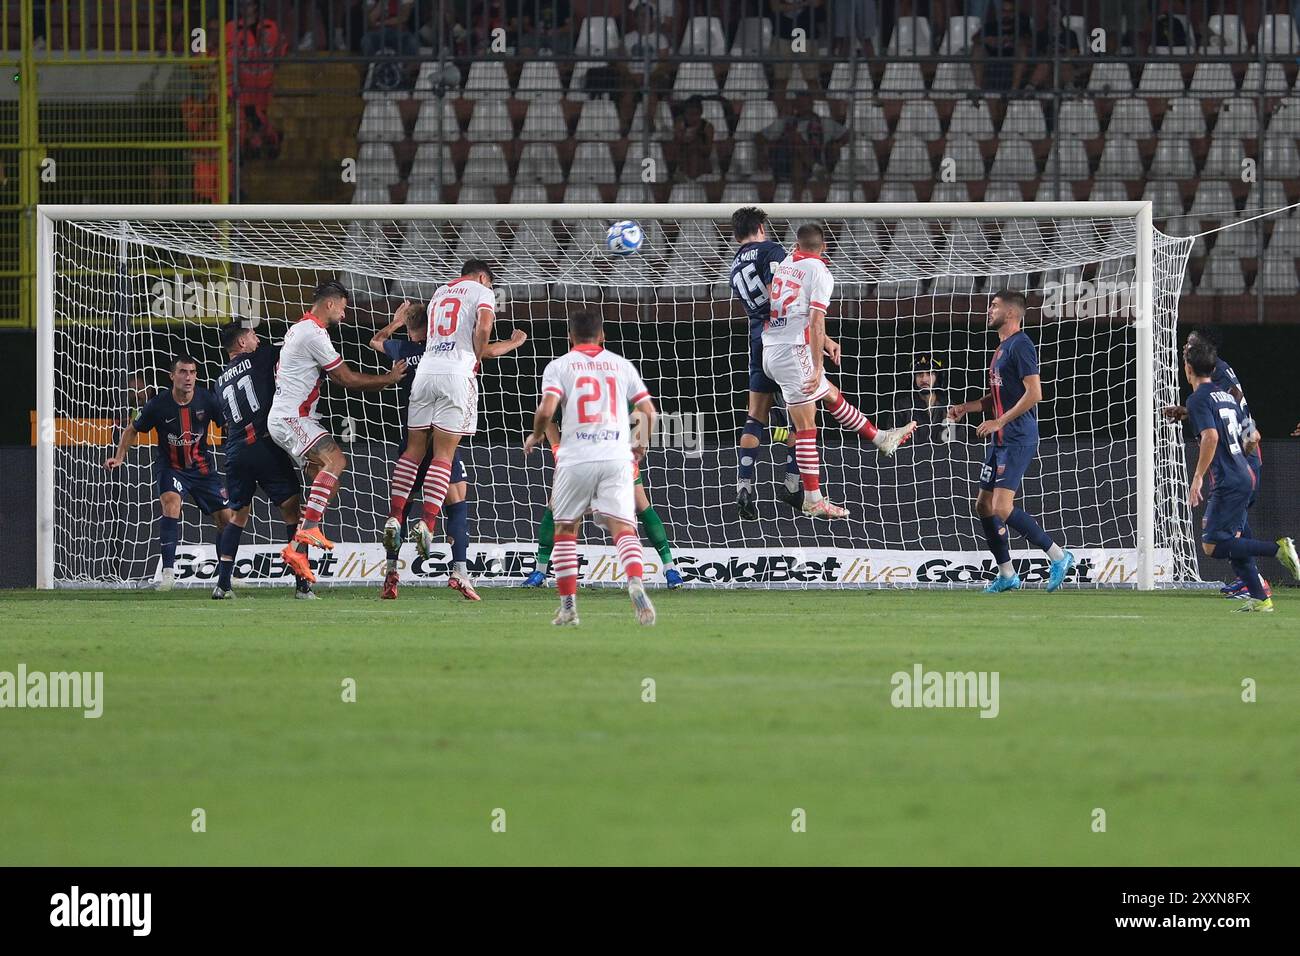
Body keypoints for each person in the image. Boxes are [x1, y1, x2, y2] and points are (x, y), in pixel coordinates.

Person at [370, 299, 527, 600]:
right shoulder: (448, 352)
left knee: (402, 505)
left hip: (412, 435)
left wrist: (396, 322)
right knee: (457, 500)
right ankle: (459, 572)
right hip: (442, 433)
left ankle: (391, 573)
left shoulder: (403, 351)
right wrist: (514, 341)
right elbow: (488, 351)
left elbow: (377, 341)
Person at [762, 222, 916, 519]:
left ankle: (880, 438)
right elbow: (816, 321)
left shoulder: (784, 263)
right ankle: (813, 499)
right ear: (824, 249)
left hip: (773, 348)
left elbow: (792, 310)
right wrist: (817, 364)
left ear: (797, 244)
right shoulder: (820, 271)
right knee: (807, 428)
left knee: (831, 395)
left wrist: (822, 346)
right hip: (793, 351)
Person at [523, 309, 658, 627]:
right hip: (615, 456)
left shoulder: (559, 366)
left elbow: (547, 409)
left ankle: (569, 608)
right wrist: (640, 443)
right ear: (602, 336)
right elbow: (648, 411)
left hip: (575, 457)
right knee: (624, 527)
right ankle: (636, 582)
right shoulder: (621, 365)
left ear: (570, 337)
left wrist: (537, 433)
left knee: (566, 529)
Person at [268, 280, 407, 586]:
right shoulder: (313, 333)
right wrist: (389, 378)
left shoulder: (299, 328)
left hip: (290, 417)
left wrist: (395, 323)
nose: (344, 315)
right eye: (343, 308)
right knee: (336, 460)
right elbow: (345, 379)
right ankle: (309, 530)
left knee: (327, 484)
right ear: (330, 304)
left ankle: (297, 550)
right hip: (293, 417)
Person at [947, 290, 1074, 593]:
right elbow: (1000, 397)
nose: (989, 310)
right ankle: (1007, 574)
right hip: (1001, 439)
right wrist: (968, 408)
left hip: (1018, 437)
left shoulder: (1022, 344)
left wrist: (999, 422)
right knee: (983, 505)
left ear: (1012, 314)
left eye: (995, 306)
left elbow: (1035, 393)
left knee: (1002, 506)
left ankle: (1058, 555)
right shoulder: (1002, 348)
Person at [382, 260, 496, 562]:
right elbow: (483, 326)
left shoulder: (439, 293)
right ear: (483, 277)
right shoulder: (483, 292)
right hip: (456, 373)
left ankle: (395, 516)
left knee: (414, 451)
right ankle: (428, 522)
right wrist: (477, 357)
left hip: (426, 373)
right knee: (443, 454)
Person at [1183, 337, 1299, 612]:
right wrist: (1238, 456)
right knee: (1235, 540)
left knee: (1213, 545)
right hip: (1244, 473)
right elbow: (1253, 437)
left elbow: (1210, 436)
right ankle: (1261, 598)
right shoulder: (1228, 398)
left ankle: (1278, 549)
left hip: (1229, 480)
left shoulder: (1198, 398)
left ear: (1188, 369)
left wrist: (1198, 476)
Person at [104, 355, 233, 590]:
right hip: (171, 467)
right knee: (171, 504)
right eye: (183, 372)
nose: (189, 377)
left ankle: (227, 576)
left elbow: (227, 424)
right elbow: (132, 429)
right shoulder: (158, 404)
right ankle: (169, 574)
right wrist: (120, 456)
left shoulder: (207, 399)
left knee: (226, 519)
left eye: (193, 372)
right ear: (172, 376)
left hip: (202, 468)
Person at [213, 323, 315, 600]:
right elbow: (293, 350)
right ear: (242, 343)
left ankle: (223, 585)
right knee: (294, 511)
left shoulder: (219, 380)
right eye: (253, 336)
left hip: (235, 451)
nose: (258, 340)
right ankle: (302, 585)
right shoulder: (260, 358)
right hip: (263, 445)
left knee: (237, 515)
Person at [1162, 330, 1264, 598]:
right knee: (1233, 525)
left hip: (1242, 455)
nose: (1186, 347)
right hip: (1237, 454)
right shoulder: (1209, 377)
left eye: (1190, 343)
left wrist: (1249, 436)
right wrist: (1187, 412)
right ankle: (1252, 578)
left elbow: (1237, 405)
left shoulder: (1218, 373)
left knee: (1224, 533)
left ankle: (1259, 574)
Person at [729, 206, 803, 520]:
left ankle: (744, 483)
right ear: (761, 227)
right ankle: (792, 480)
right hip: (782, 337)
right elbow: (781, 290)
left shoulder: (733, 266)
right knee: (802, 413)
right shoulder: (771, 249)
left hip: (756, 339)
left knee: (755, 416)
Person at [225, 0, 286, 160]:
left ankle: (264, 141)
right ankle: (252, 146)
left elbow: (280, 52)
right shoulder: (230, 29)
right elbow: (228, 60)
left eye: (250, 3)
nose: (246, 7)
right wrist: (230, 87)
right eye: (243, 3)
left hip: (265, 87)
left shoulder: (271, 28)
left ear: (256, 6)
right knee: (247, 119)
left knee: (258, 117)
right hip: (243, 87)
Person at [757, 97, 848, 200]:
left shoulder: (824, 123)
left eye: (806, 103)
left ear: (812, 104)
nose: (803, 106)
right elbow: (759, 137)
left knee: (798, 161)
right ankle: (815, 168)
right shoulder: (786, 121)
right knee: (796, 145)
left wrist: (835, 144)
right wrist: (767, 147)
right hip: (785, 162)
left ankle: (797, 199)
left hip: (814, 160)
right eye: (799, 104)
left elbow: (848, 136)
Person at [896, 354, 954, 445]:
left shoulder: (949, 407)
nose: (924, 379)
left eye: (929, 373)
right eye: (919, 374)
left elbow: (957, 444)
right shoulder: (902, 407)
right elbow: (892, 440)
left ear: (937, 377)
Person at [672, 96, 716, 182]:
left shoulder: (708, 127)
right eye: (689, 114)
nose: (692, 118)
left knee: (694, 149)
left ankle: (692, 179)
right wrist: (683, 137)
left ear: (701, 113)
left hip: (701, 160)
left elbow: (708, 151)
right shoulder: (680, 124)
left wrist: (696, 140)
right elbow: (676, 144)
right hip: (683, 159)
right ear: (684, 113)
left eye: (695, 114)